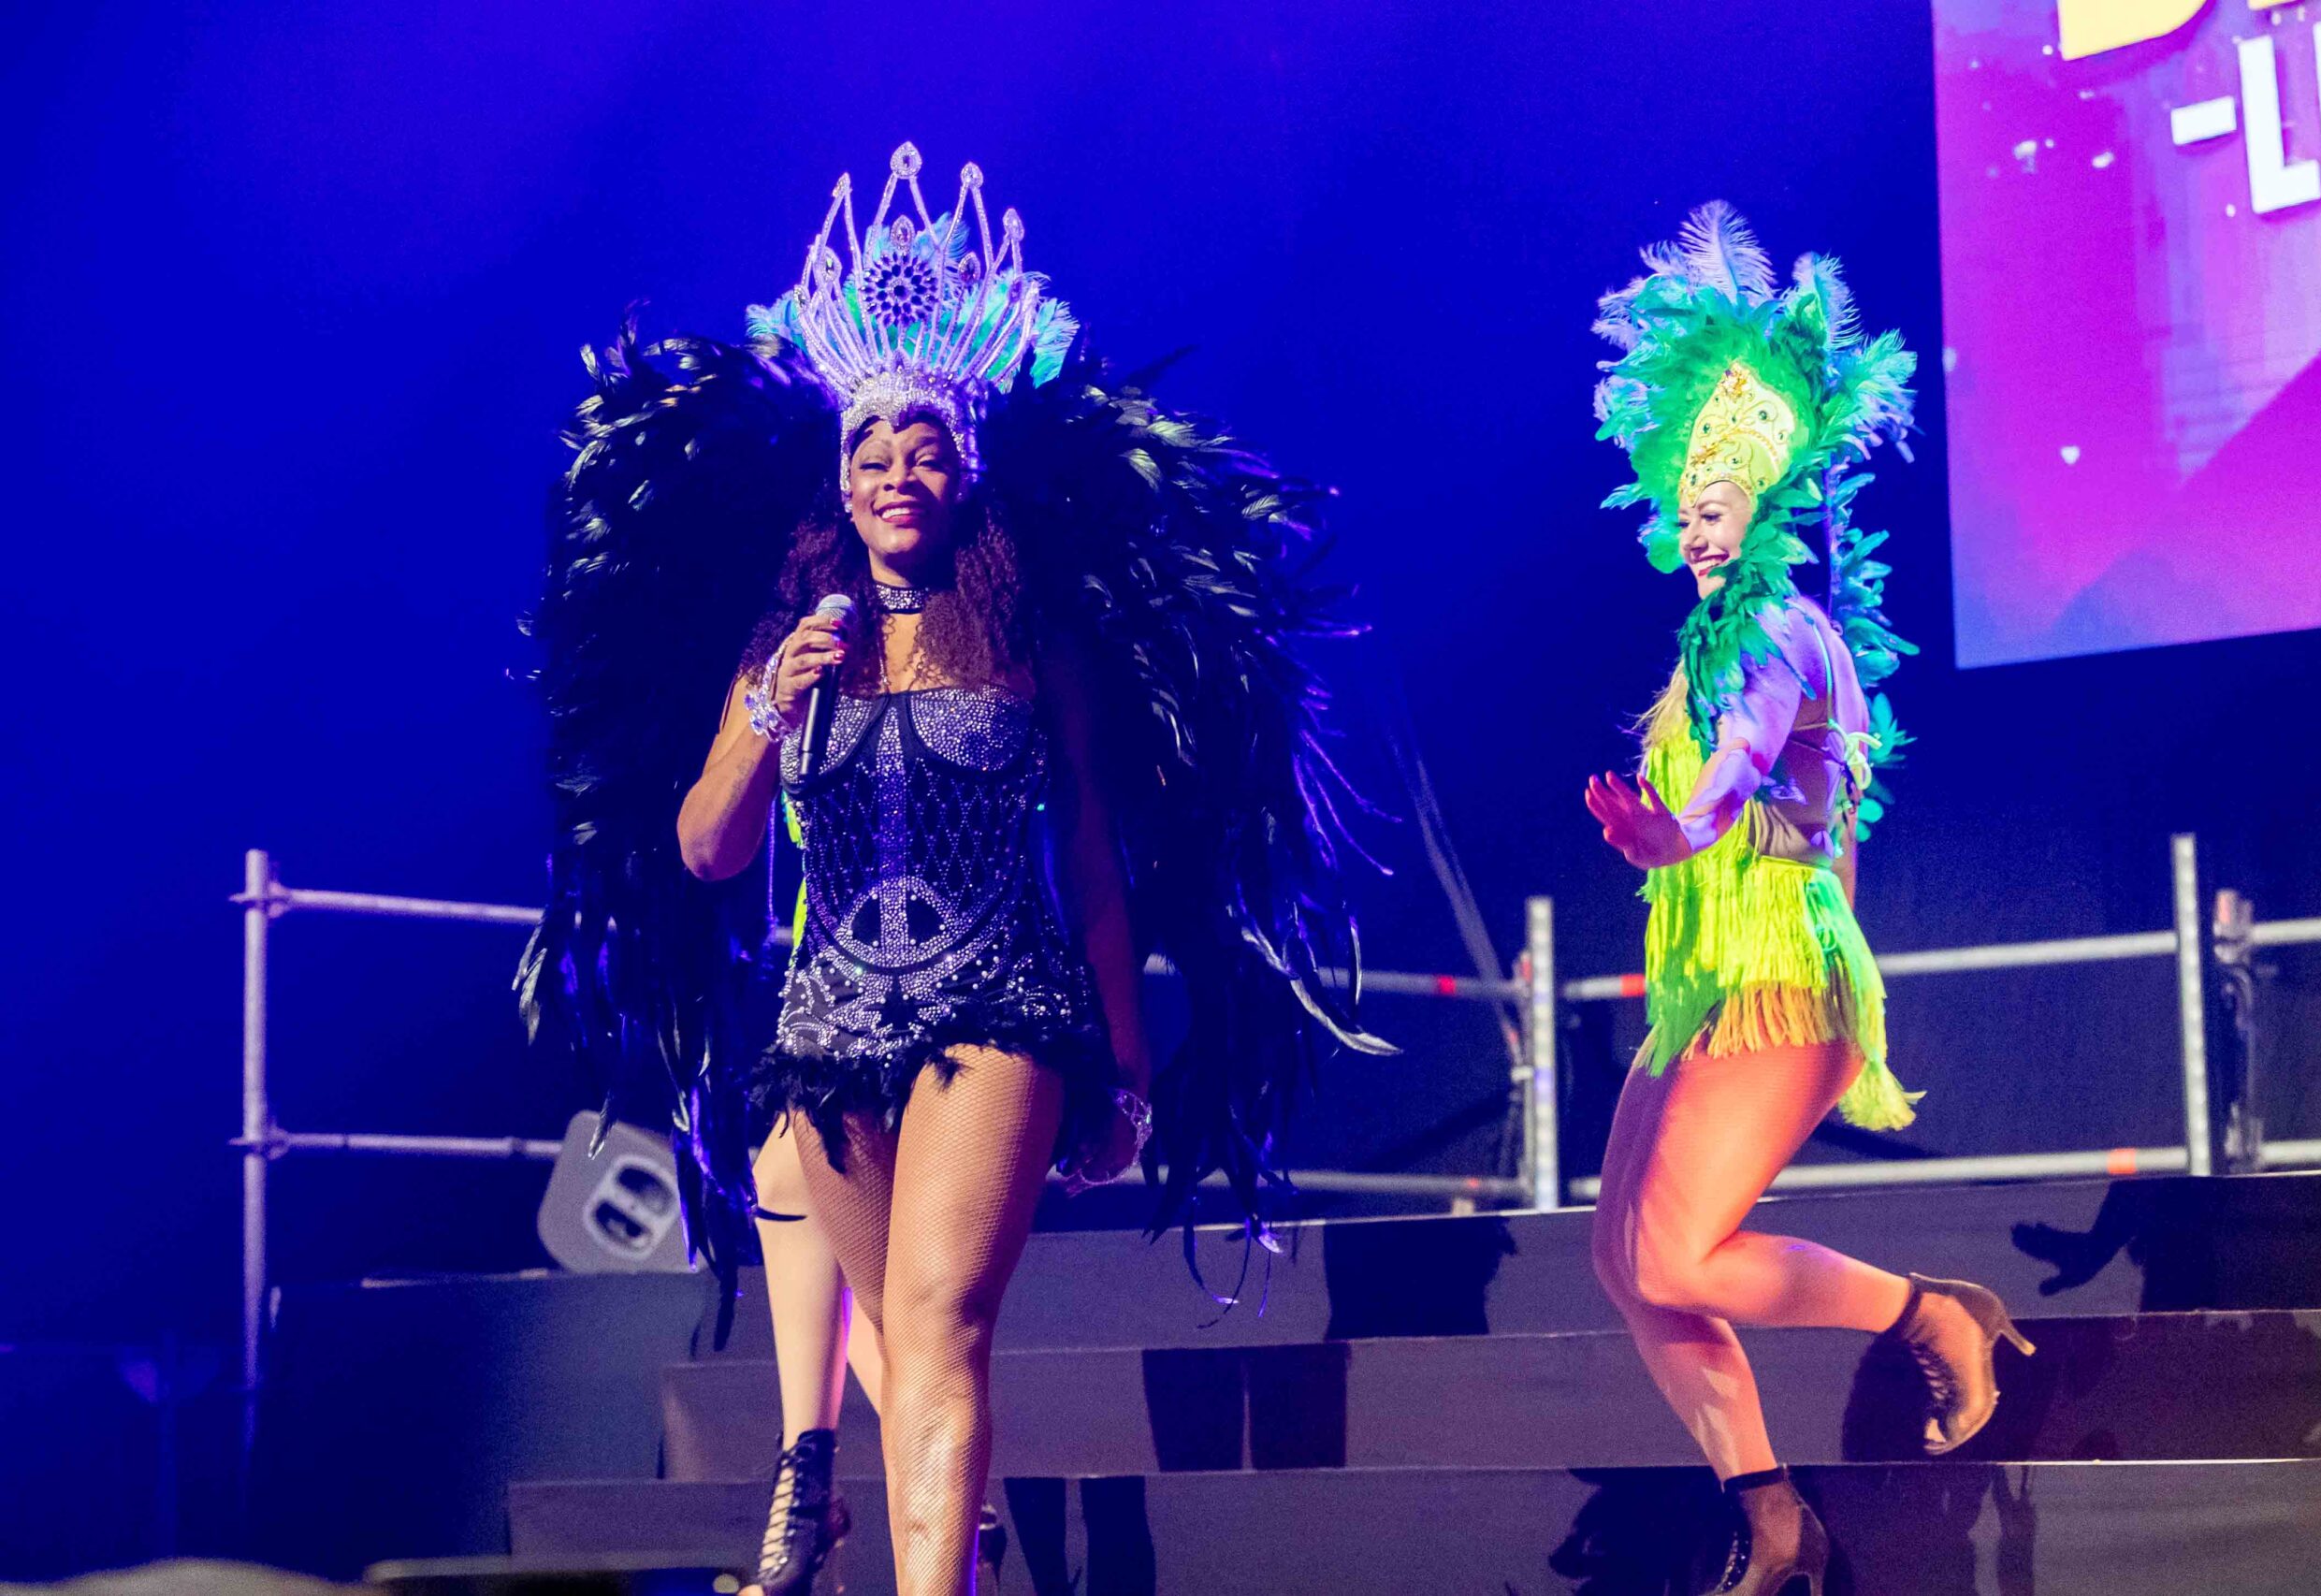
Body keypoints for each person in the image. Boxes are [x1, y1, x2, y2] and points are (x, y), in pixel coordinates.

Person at [519, 142, 1383, 1596]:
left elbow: (1093, 857)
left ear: (963, 463)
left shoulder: (1031, 638)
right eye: (870, 453)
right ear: (840, 480)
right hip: (827, 1028)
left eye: (922, 448)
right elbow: (708, 847)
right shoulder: (789, 640)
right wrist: (767, 704)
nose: (896, 474)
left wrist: (1126, 1065)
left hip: (999, 1003)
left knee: (939, 1322)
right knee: (902, 1346)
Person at [1580, 204, 2034, 1595]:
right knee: (1626, 1261)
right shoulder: (1713, 638)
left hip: (1781, 974)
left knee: (1675, 1252)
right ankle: (1770, 1511)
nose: (1693, 526)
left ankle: (1932, 1313)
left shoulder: (1774, 630)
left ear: (1766, 508)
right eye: (1684, 508)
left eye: (1716, 507)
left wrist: (1676, 832)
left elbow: (1736, 770)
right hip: (1716, 980)